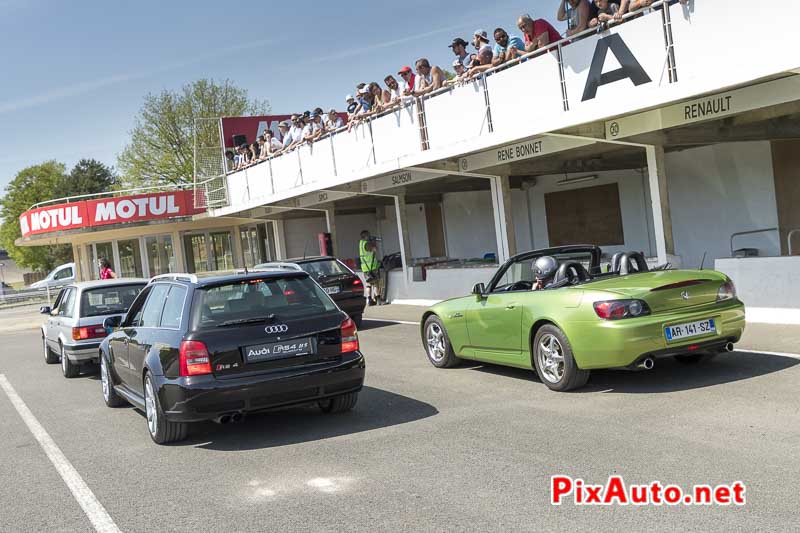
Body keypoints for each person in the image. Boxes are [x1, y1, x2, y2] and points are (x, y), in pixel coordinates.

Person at [359, 230, 380, 305]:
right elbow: (375, 249)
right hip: (372, 267)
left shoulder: (361, 243)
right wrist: (373, 242)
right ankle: (378, 300)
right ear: (366, 236)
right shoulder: (367, 244)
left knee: (368, 284)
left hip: (365, 268)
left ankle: (369, 300)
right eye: (368, 235)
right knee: (375, 284)